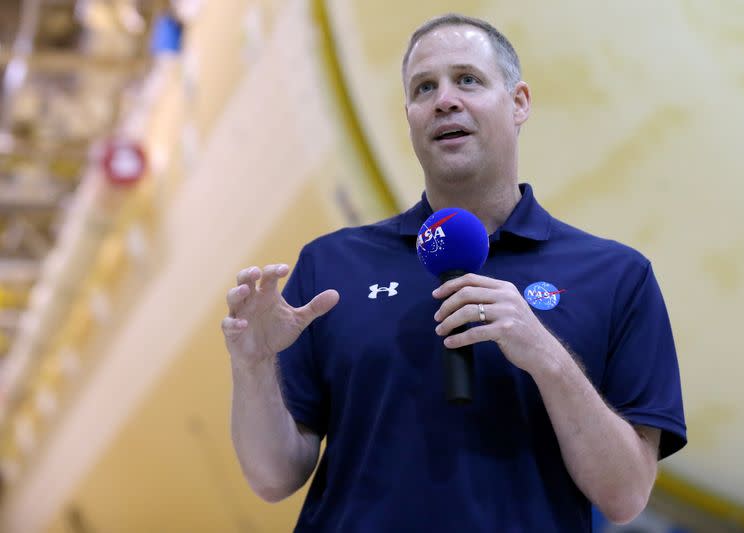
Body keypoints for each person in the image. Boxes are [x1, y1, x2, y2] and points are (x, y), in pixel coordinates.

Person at [222, 13, 686, 532]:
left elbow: (624, 496)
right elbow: (272, 477)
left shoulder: (617, 276)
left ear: (519, 103)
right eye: (425, 88)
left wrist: (546, 355)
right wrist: (254, 365)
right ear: (411, 117)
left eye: (467, 79)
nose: (445, 99)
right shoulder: (332, 266)